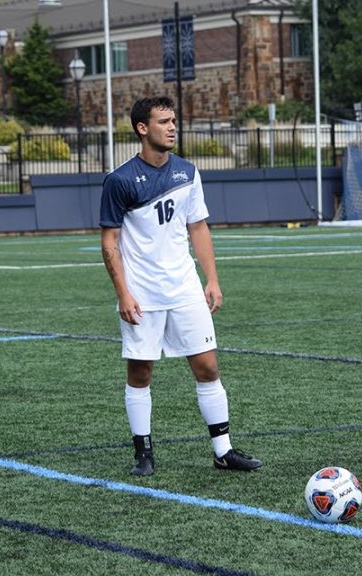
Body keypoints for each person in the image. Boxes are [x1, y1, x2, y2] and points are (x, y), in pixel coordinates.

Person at [99, 96, 262, 476]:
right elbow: (109, 243)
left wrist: (212, 279)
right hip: (142, 293)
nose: (172, 127)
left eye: (174, 120)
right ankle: (144, 453)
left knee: (207, 366)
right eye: (163, 121)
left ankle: (223, 451)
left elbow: (198, 227)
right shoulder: (119, 179)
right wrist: (122, 293)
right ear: (143, 128)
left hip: (185, 288)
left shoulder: (188, 172)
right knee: (140, 373)